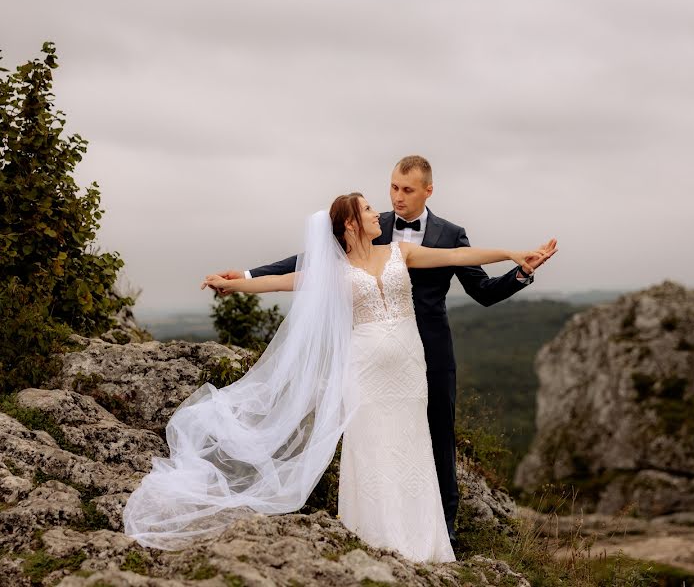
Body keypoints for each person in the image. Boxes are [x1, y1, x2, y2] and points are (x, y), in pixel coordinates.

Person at [122, 192, 555, 562]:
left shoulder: (399, 253)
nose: (377, 214)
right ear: (350, 223)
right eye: (368, 209)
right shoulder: (332, 271)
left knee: (412, 448)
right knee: (371, 451)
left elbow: (459, 256)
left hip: (409, 369)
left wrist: (513, 254)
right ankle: (374, 538)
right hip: (365, 372)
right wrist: (236, 283)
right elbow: (284, 281)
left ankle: (425, 545)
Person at [214, 155, 556, 545]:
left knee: (436, 438)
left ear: (428, 190)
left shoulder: (449, 234)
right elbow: (306, 265)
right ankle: (377, 528)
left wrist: (519, 265)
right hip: (368, 360)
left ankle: (442, 531)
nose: (395, 197)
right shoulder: (375, 231)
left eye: (406, 190)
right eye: (392, 187)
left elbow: (479, 285)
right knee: (373, 442)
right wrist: (243, 278)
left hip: (427, 354)